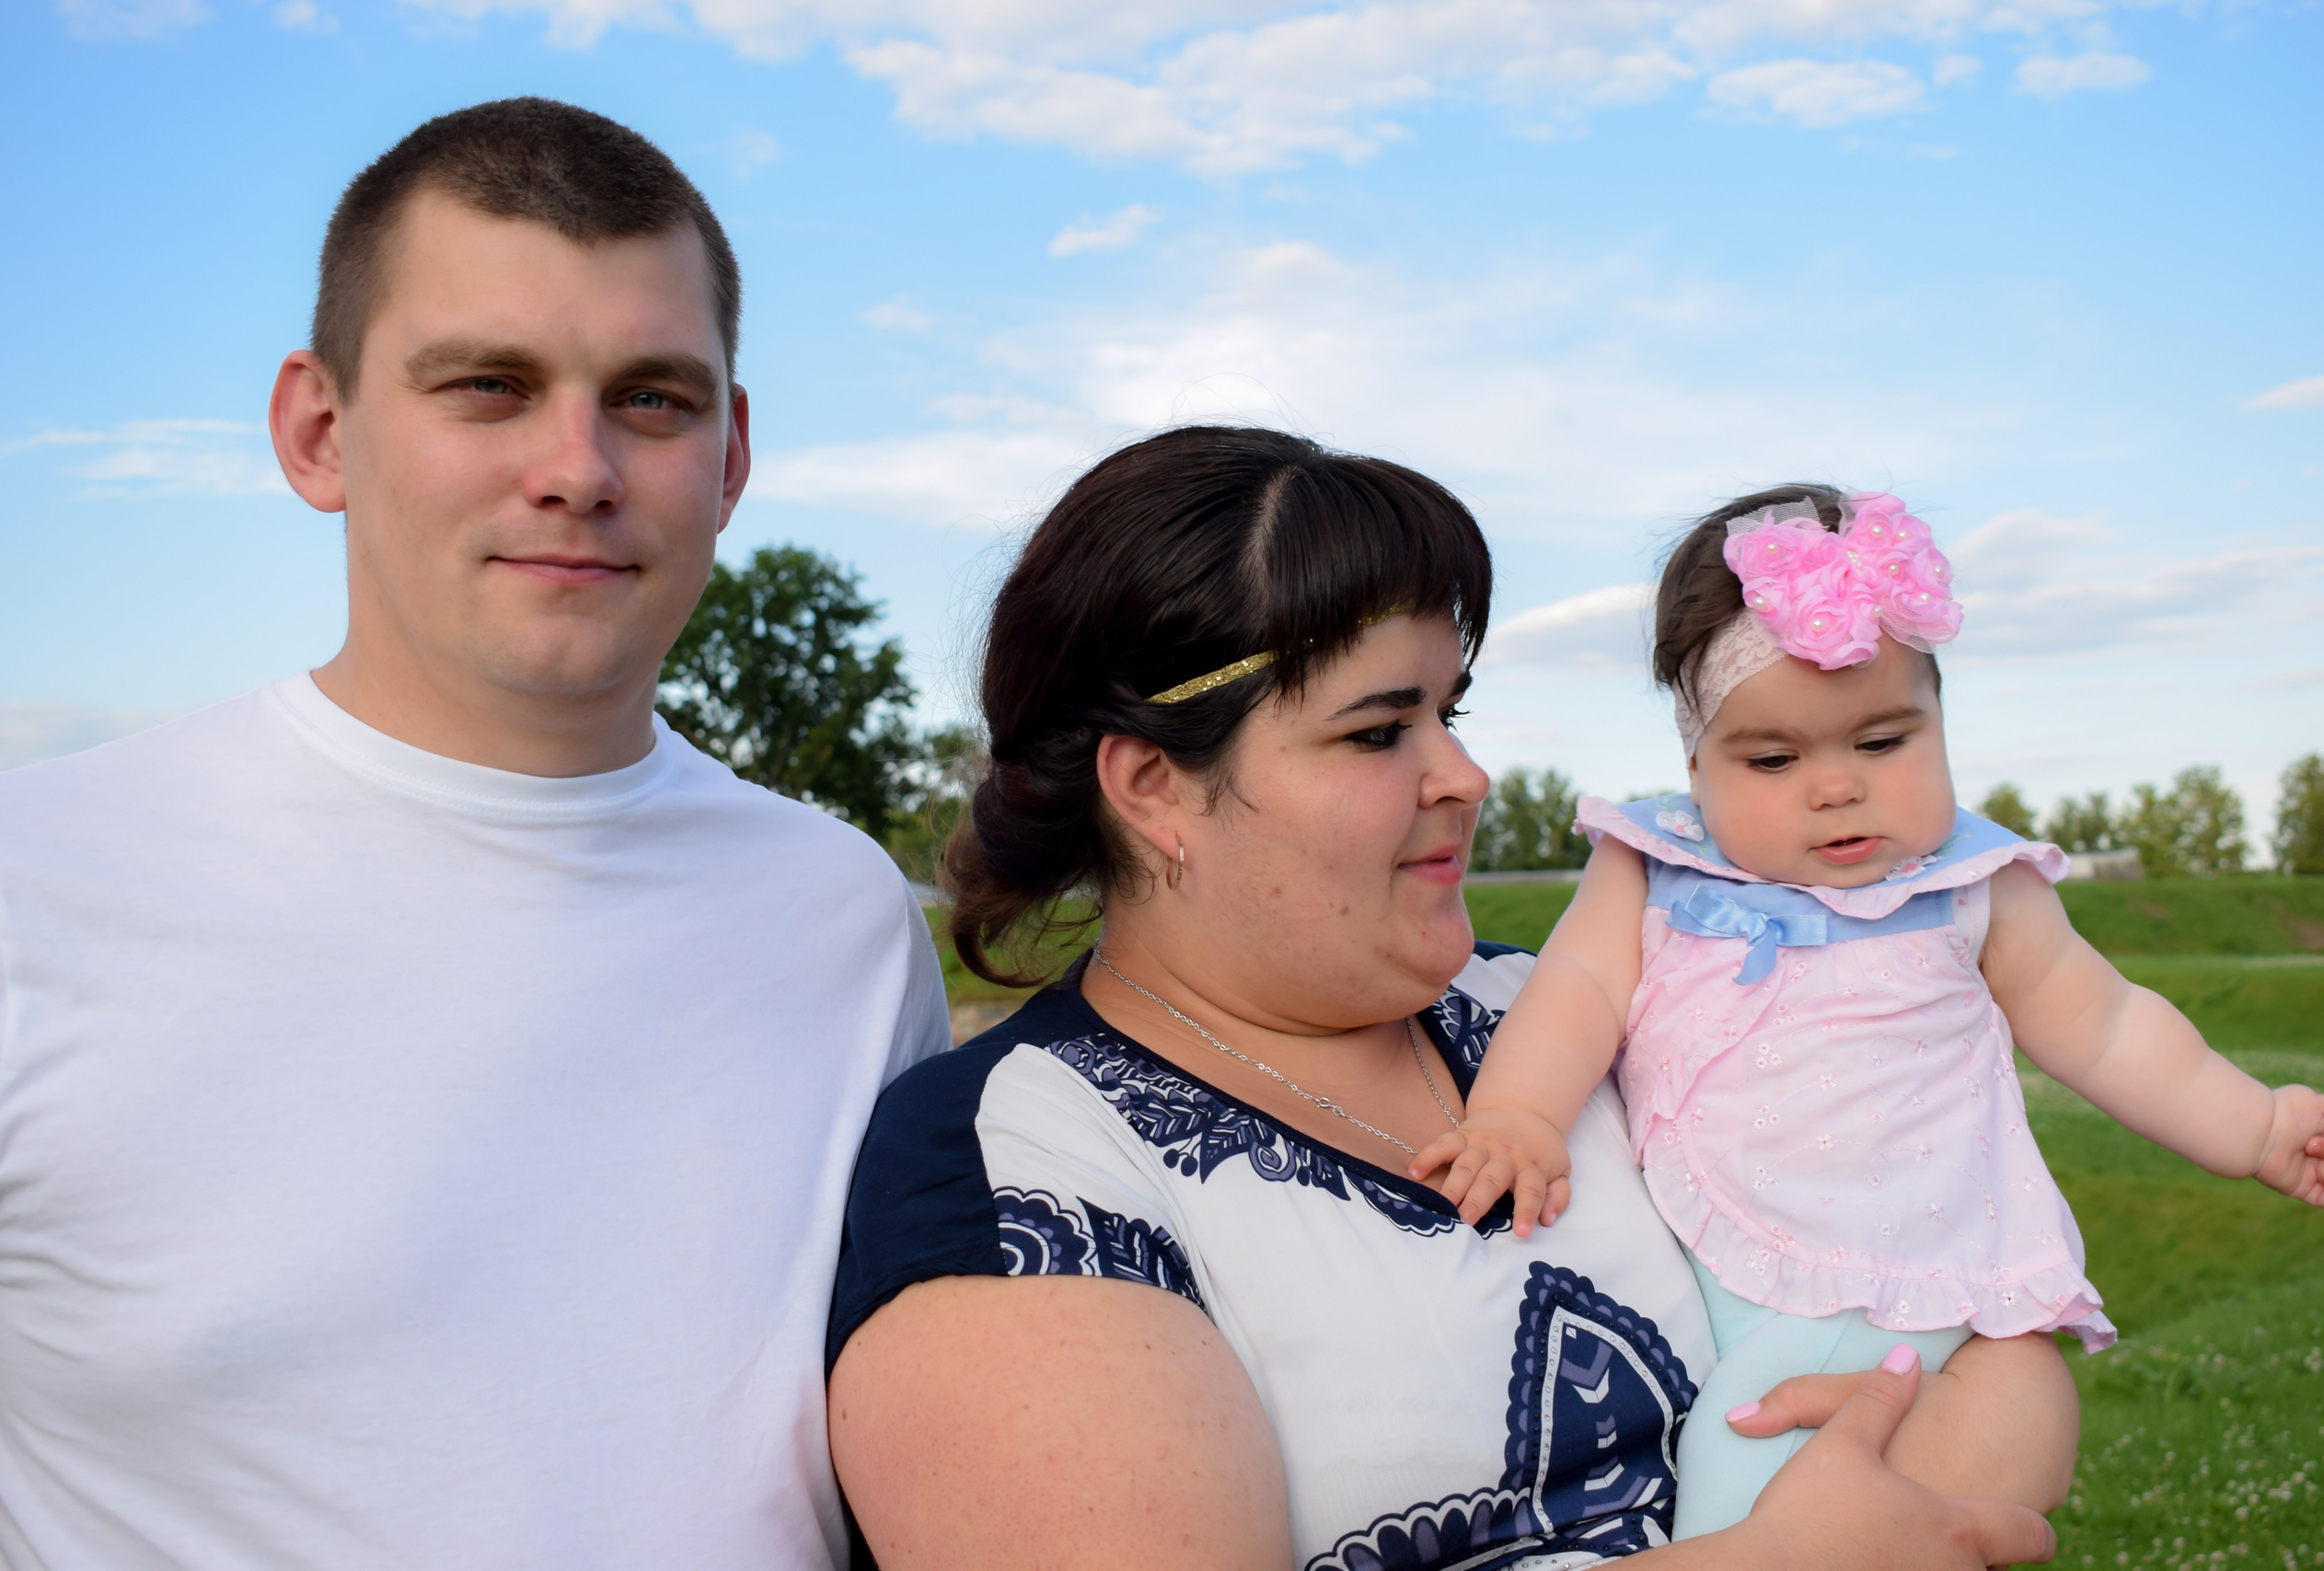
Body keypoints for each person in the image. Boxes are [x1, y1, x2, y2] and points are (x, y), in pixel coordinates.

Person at [0, 98, 947, 1569]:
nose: (578, 465)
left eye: (654, 397)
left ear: (731, 454)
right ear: (318, 429)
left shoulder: (843, 916)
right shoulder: (9, 887)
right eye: (488, 385)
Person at [825, 428, 2075, 1570]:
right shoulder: (1016, 1164)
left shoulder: (1581, 1011)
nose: (1466, 775)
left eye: (1450, 709)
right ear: (1153, 785)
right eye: (1380, 731)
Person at [1406, 485, 2324, 1538]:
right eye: (1774, 760)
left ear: (1939, 720)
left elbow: (2108, 1027)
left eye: (1882, 743)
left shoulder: (1972, 884)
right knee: (1769, 1473)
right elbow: (1577, 992)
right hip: (1742, 1275)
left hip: (1915, 1280)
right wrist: (1519, 1112)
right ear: (1693, 762)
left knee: (1748, 1474)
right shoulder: (1651, 865)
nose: (1834, 788)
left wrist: (2254, 1126)